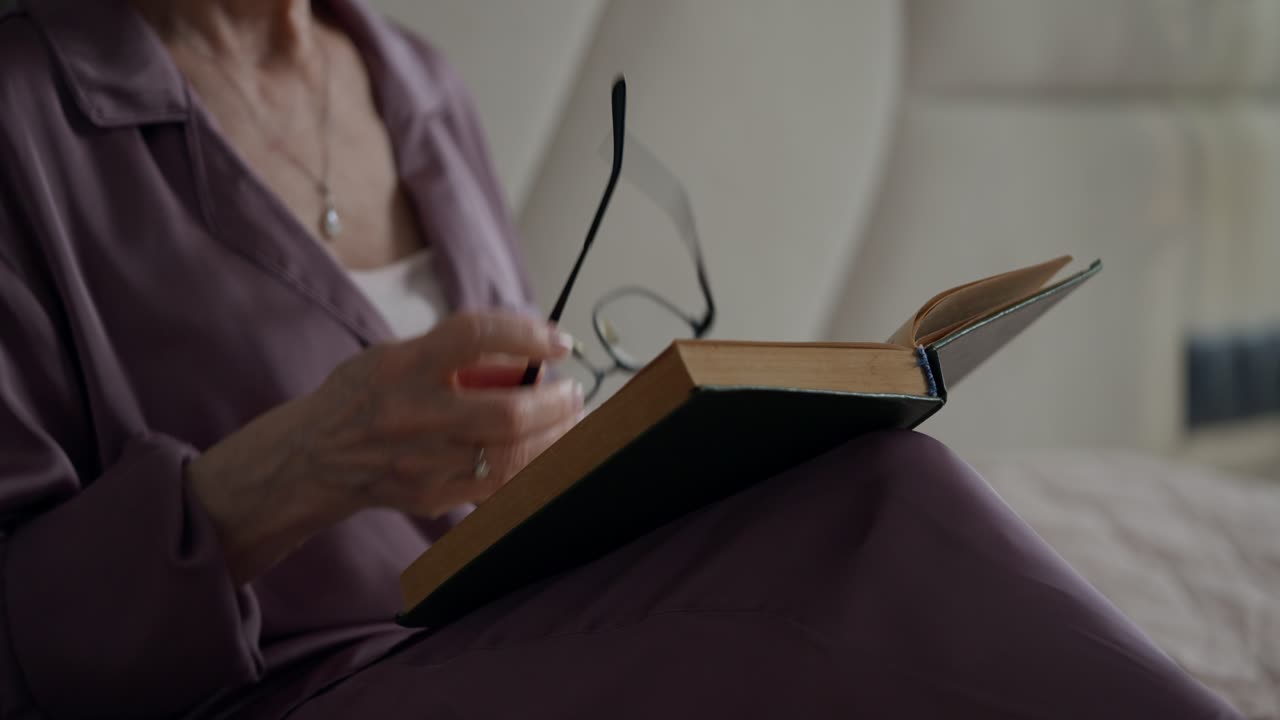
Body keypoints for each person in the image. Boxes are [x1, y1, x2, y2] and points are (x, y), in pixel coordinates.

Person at [0, 1, 1241, 718]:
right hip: (300, 694)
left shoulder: (411, 77)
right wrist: (291, 472)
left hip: (519, 633)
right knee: (874, 516)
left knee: (838, 490)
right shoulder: (25, 117)